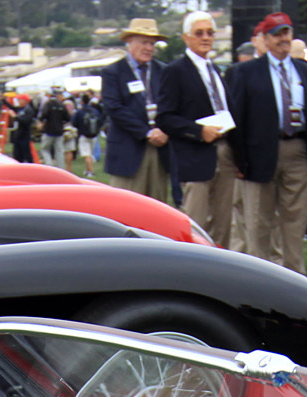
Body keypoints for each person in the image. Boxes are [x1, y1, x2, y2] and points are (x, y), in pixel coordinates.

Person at [228, 13, 307, 273]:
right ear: (265, 39)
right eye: (277, 34)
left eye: (287, 33)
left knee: (295, 221)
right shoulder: (246, 72)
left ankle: (296, 278)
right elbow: (237, 118)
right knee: (259, 223)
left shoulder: (305, 70)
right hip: (259, 154)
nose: (283, 39)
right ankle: (260, 279)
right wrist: (240, 159)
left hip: (298, 149)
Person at [160, 11, 239, 252]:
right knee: (195, 223)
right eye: (199, 33)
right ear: (186, 37)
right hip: (194, 155)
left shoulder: (215, 70)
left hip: (224, 152)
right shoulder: (175, 71)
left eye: (210, 33)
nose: (206, 38)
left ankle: (219, 270)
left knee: (223, 223)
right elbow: (165, 117)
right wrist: (197, 130)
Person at [101, 18, 173, 203]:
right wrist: (147, 133)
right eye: (144, 42)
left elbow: (172, 105)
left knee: (157, 207)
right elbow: (114, 109)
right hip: (129, 149)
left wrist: (164, 131)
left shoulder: (163, 71)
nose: (149, 47)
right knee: (125, 207)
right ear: (129, 41)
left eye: (152, 43)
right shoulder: (113, 72)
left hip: (158, 150)